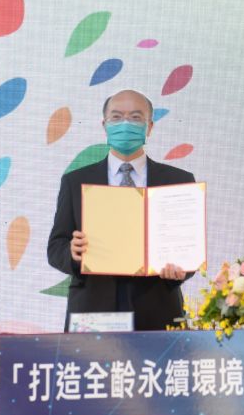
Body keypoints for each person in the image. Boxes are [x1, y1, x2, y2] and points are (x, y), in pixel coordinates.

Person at [48, 89, 195, 332]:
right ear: (105, 125)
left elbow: (188, 248)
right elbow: (56, 248)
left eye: (136, 117)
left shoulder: (178, 180)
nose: (125, 124)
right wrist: (73, 253)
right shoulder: (75, 181)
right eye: (116, 117)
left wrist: (182, 268)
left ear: (149, 127)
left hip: (158, 308)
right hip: (93, 309)